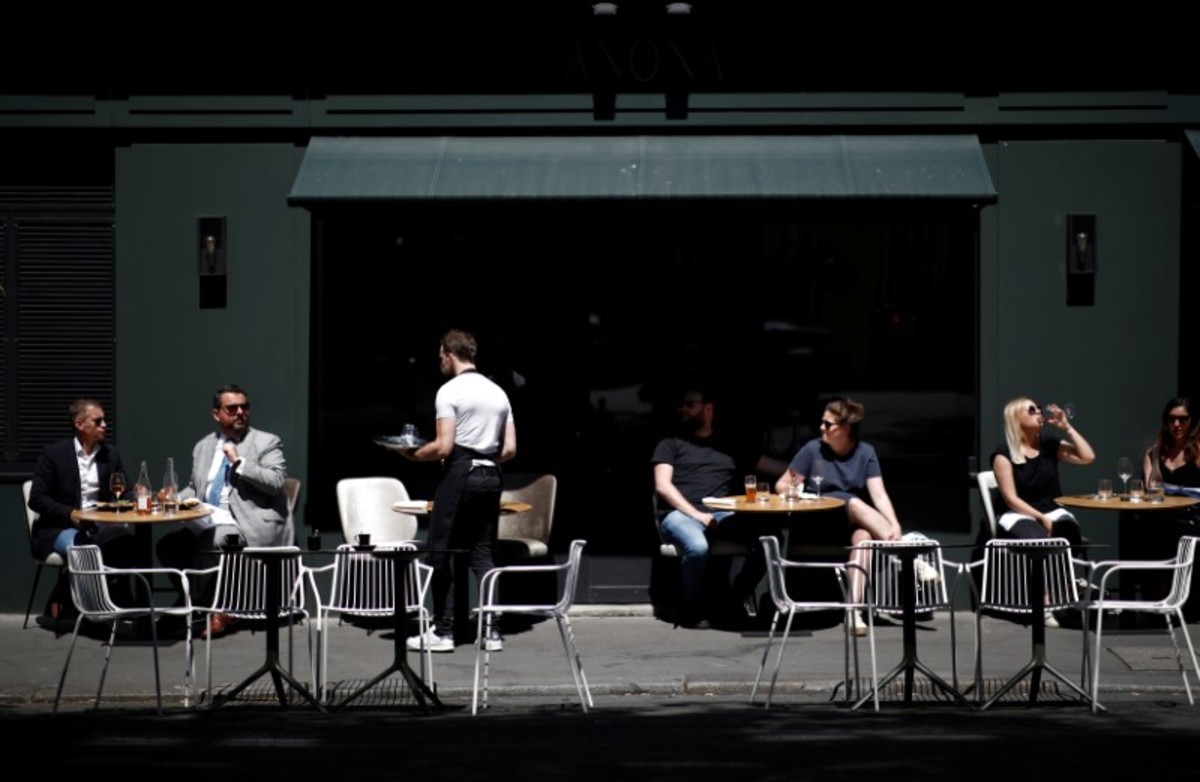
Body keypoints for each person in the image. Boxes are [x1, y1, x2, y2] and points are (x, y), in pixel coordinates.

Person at [775, 396, 939, 636]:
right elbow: (781, 484)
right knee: (852, 503)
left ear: (845, 428)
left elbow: (879, 494)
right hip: (817, 521)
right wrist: (794, 491)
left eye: (828, 424)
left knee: (863, 538)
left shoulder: (865, 452)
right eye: (822, 422)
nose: (821, 428)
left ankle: (853, 611)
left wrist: (894, 524)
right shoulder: (812, 450)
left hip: (848, 522)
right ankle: (907, 554)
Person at [401, 329, 516, 653]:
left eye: (440, 355)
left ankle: (443, 631)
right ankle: (492, 632)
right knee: (483, 552)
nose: (439, 361)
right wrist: (485, 458)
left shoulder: (449, 391)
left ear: (450, 355)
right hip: (492, 474)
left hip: (461, 473)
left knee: (442, 550)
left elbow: (443, 447)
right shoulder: (498, 393)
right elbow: (510, 449)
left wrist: (411, 454)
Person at [156, 384, 291, 637]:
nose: (240, 412)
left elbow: (275, 482)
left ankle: (203, 607)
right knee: (167, 546)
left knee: (216, 539)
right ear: (216, 414)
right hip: (206, 516)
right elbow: (195, 488)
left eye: (244, 407)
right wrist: (173, 499)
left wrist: (239, 462)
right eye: (232, 408)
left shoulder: (266, 441)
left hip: (243, 521)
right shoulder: (203, 446)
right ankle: (197, 603)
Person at [653, 387, 783, 629]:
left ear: (708, 409)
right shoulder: (670, 443)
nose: (683, 410)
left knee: (770, 540)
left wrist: (809, 468)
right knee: (698, 547)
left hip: (722, 513)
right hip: (680, 514)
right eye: (682, 405)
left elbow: (776, 467)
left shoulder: (728, 444)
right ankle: (689, 605)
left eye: (690, 405)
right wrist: (696, 515)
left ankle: (735, 600)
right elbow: (662, 485)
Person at [28, 398, 138, 618]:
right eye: (97, 421)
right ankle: (96, 613)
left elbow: (124, 491)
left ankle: (132, 605)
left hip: (100, 525)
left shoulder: (110, 454)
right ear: (79, 424)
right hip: (60, 527)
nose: (104, 425)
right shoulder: (54, 454)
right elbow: (37, 498)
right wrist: (71, 514)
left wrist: (137, 495)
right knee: (84, 549)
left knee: (130, 542)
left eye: (104, 420)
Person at [991, 396, 1096, 626]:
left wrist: (1067, 427)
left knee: (1069, 530)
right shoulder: (1003, 454)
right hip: (1016, 513)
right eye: (1032, 410)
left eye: (1038, 408)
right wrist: (1040, 518)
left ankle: (1062, 590)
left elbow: (1087, 457)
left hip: (1050, 508)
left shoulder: (1048, 444)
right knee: (1036, 539)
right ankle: (1045, 601)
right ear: (1016, 419)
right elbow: (1011, 499)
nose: (1039, 412)